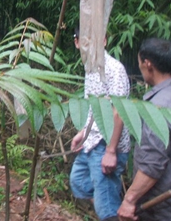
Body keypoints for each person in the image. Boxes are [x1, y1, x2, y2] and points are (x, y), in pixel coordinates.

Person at [69, 27, 131, 221]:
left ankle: (110, 213)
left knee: (107, 207)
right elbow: (95, 109)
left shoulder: (113, 69)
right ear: (77, 43)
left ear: (104, 40)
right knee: (79, 182)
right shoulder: (90, 68)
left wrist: (111, 151)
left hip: (106, 145)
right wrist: (83, 133)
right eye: (85, 41)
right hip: (92, 141)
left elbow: (118, 111)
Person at [118, 38, 171, 221]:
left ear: (148, 64)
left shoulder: (158, 106)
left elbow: (153, 161)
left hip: (160, 206)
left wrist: (129, 199)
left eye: (139, 62)